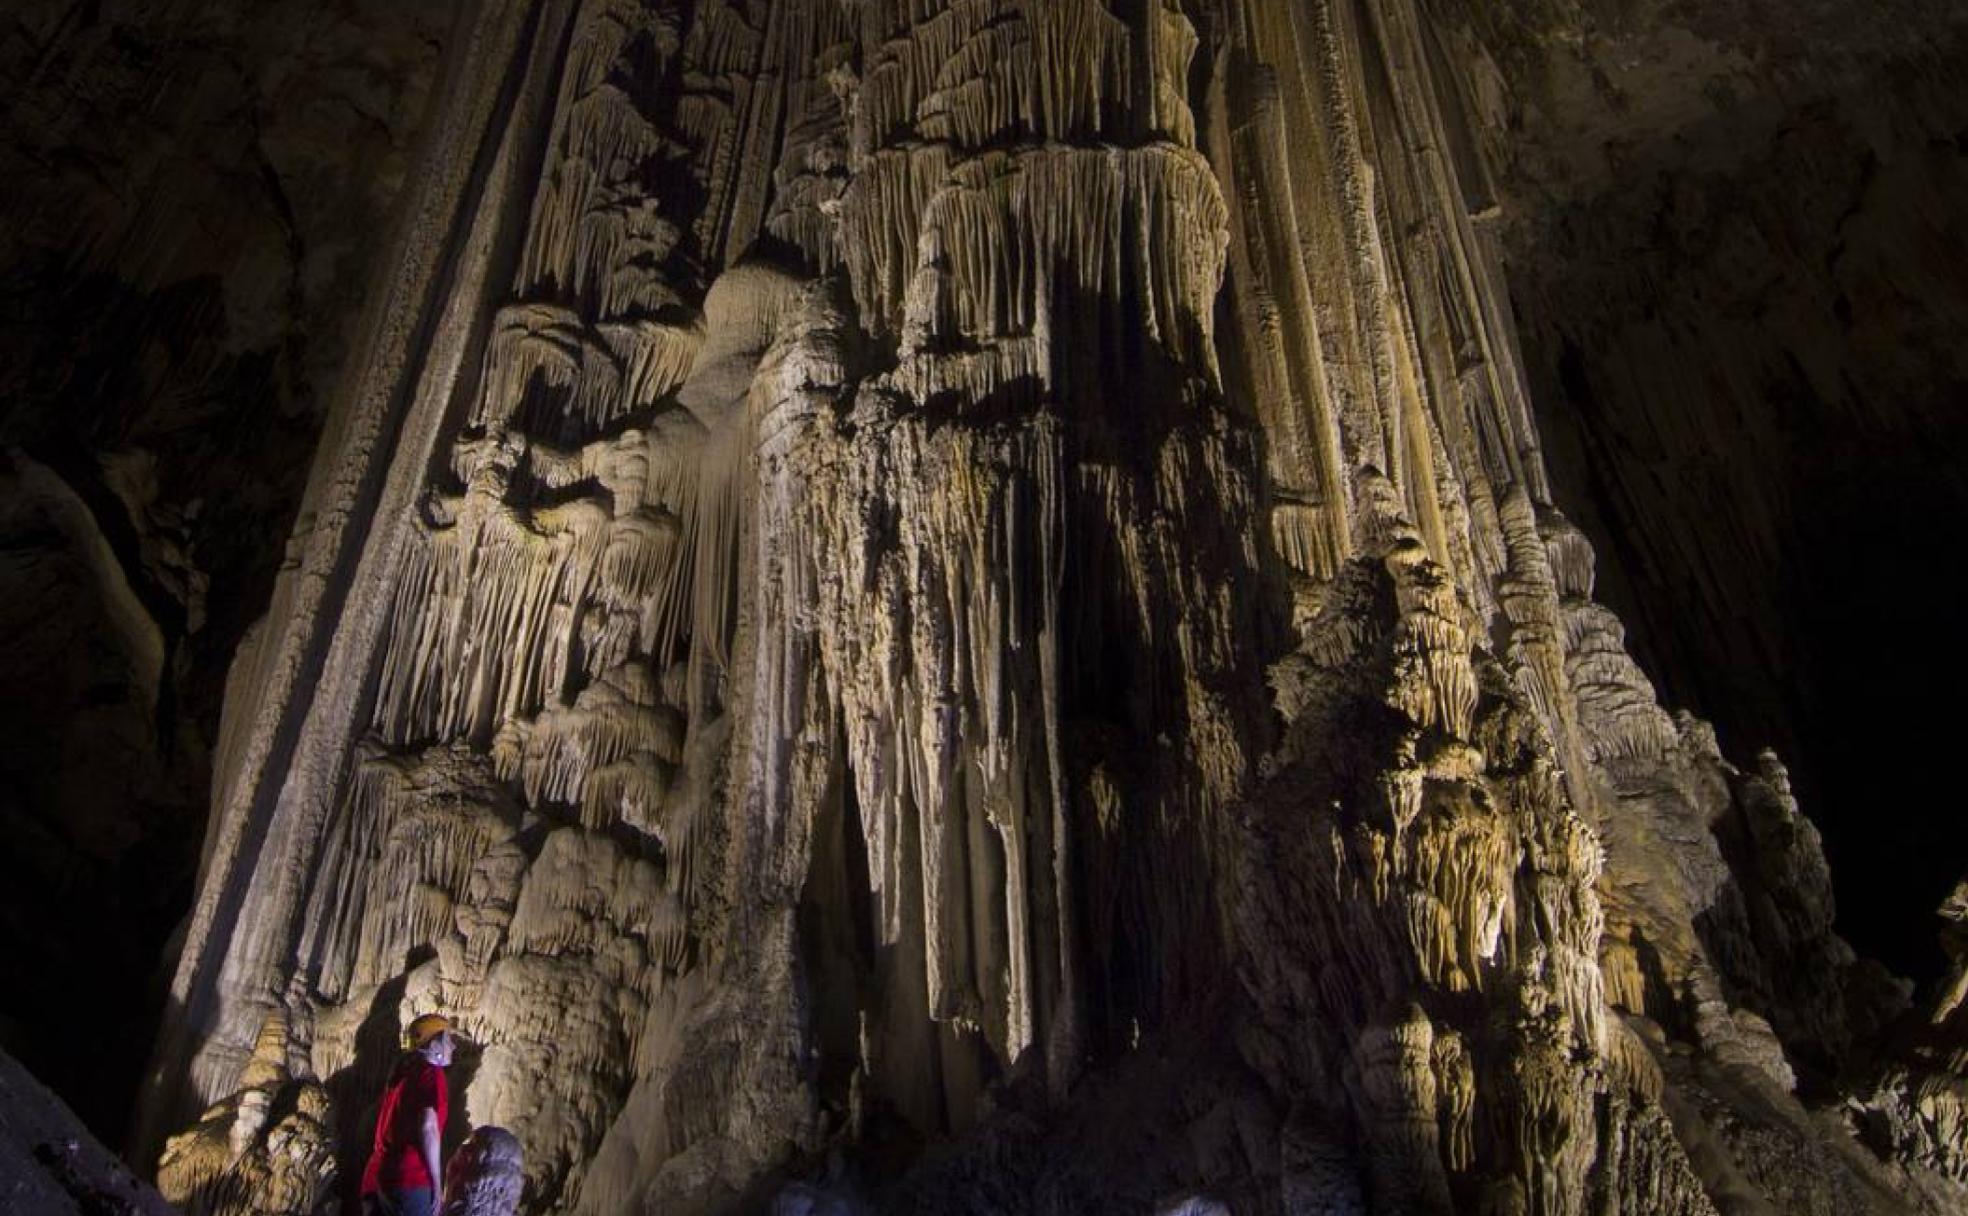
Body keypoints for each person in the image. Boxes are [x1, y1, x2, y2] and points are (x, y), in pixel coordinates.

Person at [359, 1013, 456, 1216]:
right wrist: (438, 1185)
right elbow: (428, 1125)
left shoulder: (400, 1074)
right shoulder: (431, 1072)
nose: (453, 1047)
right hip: (410, 1179)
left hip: (376, 1178)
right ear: (435, 1043)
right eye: (449, 1039)